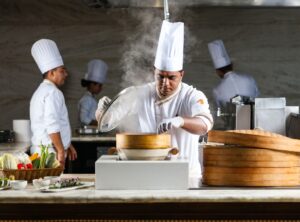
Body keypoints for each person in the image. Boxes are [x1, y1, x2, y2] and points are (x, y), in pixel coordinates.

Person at [96, 21, 213, 184]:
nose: (165, 83)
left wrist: (180, 120)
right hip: (149, 174)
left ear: (181, 74)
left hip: (187, 176)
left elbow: (205, 124)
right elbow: (108, 120)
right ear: (154, 72)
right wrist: (102, 110)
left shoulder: (191, 95)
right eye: (161, 77)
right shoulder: (140, 93)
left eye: (171, 78)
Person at [30, 39, 77, 168]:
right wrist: (61, 150)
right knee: (52, 187)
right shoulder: (53, 92)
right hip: (51, 154)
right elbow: (52, 125)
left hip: (39, 152)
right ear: (51, 73)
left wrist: (67, 144)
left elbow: (55, 124)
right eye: (62, 71)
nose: (66, 74)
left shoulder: (39, 92)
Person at [208, 39, 259, 109]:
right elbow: (256, 96)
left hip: (235, 119)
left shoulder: (217, 91)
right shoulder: (249, 79)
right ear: (232, 65)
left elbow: (221, 109)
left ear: (218, 72)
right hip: (254, 114)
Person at [78, 59, 108, 127]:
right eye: (99, 86)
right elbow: (83, 118)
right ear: (92, 84)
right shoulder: (87, 99)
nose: (101, 88)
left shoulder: (91, 99)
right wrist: (99, 124)